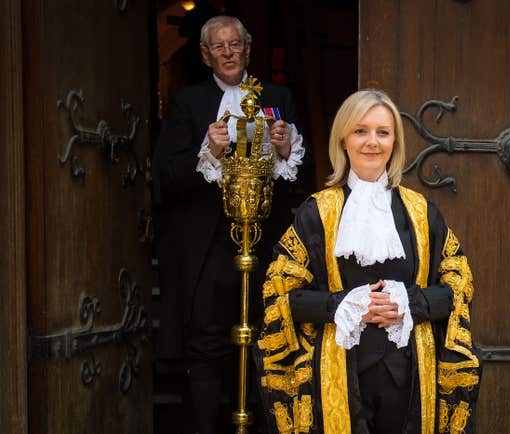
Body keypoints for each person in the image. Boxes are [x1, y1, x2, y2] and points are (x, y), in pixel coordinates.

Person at [256, 90, 481, 433]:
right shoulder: (316, 212)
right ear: (343, 139)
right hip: (339, 378)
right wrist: (342, 305)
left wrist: (411, 302)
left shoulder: (421, 213)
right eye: (361, 131)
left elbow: (457, 285)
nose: (372, 142)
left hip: (410, 380)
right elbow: (282, 296)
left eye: (383, 132)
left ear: (395, 141)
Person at [152, 15, 308, 434]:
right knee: (206, 343)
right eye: (218, 47)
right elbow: (166, 177)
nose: (227, 53)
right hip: (208, 245)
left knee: (266, 339)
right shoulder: (188, 103)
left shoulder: (278, 98)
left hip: (265, 240)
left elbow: (302, 179)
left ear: (247, 49)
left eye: (234, 45)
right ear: (205, 55)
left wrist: (286, 149)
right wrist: (211, 153)